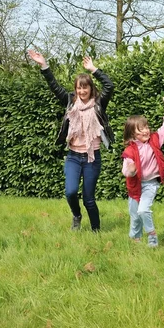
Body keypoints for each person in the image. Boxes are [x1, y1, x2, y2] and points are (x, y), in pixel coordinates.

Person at [28, 50, 114, 232]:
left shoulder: (99, 103)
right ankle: (76, 215)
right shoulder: (70, 102)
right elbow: (54, 86)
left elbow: (110, 86)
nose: (82, 91)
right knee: (71, 192)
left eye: (85, 88)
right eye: (79, 88)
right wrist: (44, 65)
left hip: (92, 158)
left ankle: (96, 231)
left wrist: (93, 69)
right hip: (74, 156)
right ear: (75, 89)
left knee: (89, 198)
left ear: (90, 88)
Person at [121, 97, 164, 248]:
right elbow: (127, 167)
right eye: (141, 129)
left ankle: (151, 235)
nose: (146, 130)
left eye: (146, 127)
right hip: (135, 185)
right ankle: (135, 240)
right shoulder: (130, 150)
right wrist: (130, 171)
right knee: (135, 215)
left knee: (143, 210)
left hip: (150, 184)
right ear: (132, 134)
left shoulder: (155, 140)